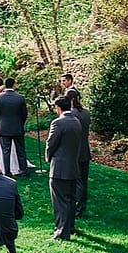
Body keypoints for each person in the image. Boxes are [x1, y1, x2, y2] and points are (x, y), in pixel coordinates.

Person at [46, 96, 83, 241]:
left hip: (60, 167)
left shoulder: (58, 123)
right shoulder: (76, 121)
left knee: (60, 200)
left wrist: (48, 158)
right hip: (73, 166)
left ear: (58, 108)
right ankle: (70, 226)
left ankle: (61, 231)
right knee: (70, 199)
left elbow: (51, 144)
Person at [0, 77, 28, 177]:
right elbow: (24, 114)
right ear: (14, 85)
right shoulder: (20, 98)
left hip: (4, 127)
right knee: (20, 150)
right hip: (17, 127)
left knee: (6, 151)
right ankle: (24, 170)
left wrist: (0, 123)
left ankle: (7, 172)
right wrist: (20, 123)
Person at [68, 91, 91, 220]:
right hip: (84, 150)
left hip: (73, 151)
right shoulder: (86, 113)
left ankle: (77, 208)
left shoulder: (71, 115)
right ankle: (82, 205)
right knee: (83, 180)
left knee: (76, 182)